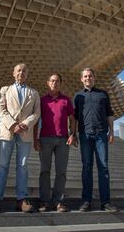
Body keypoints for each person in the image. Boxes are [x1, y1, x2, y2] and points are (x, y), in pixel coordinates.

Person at [0, 63, 41, 213]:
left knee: (22, 166)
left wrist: (24, 124)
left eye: (24, 71)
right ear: (14, 73)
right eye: (19, 70)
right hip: (8, 132)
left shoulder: (34, 93)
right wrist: (12, 125)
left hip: (25, 133)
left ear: (27, 74)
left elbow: (36, 113)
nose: (21, 73)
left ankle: (21, 199)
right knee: (3, 165)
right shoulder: (5, 90)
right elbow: (0, 109)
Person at [73, 67, 118, 212]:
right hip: (85, 135)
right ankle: (86, 201)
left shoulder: (103, 94)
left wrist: (111, 131)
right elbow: (74, 117)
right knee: (86, 168)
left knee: (103, 167)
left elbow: (109, 114)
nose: (88, 78)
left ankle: (105, 202)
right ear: (81, 79)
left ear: (94, 77)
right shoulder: (78, 96)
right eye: (85, 76)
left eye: (90, 76)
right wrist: (72, 133)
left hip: (101, 135)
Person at [34, 73, 77, 212]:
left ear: (60, 83)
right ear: (48, 83)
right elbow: (35, 120)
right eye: (52, 81)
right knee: (44, 171)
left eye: (57, 81)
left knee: (61, 172)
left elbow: (72, 118)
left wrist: (72, 134)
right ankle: (45, 201)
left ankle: (58, 201)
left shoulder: (66, 100)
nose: (55, 83)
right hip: (45, 139)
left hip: (62, 140)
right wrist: (36, 138)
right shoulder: (42, 100)